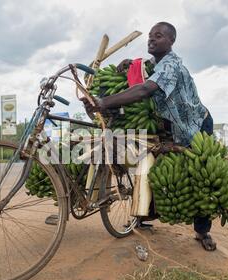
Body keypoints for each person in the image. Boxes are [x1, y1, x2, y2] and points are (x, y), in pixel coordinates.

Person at [79, 22, 216, 251]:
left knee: (199, 175)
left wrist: (102, 103)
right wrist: (129, 64)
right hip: (171, 126)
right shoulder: (156, 63)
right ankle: (142, 216)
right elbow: (144, 68)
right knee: (155, 170)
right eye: (150, 36)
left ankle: (203, 231)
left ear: (171, 41)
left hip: (196, 126)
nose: (151, 39)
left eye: (158, 36)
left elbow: (145, 89)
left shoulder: (171, 65)